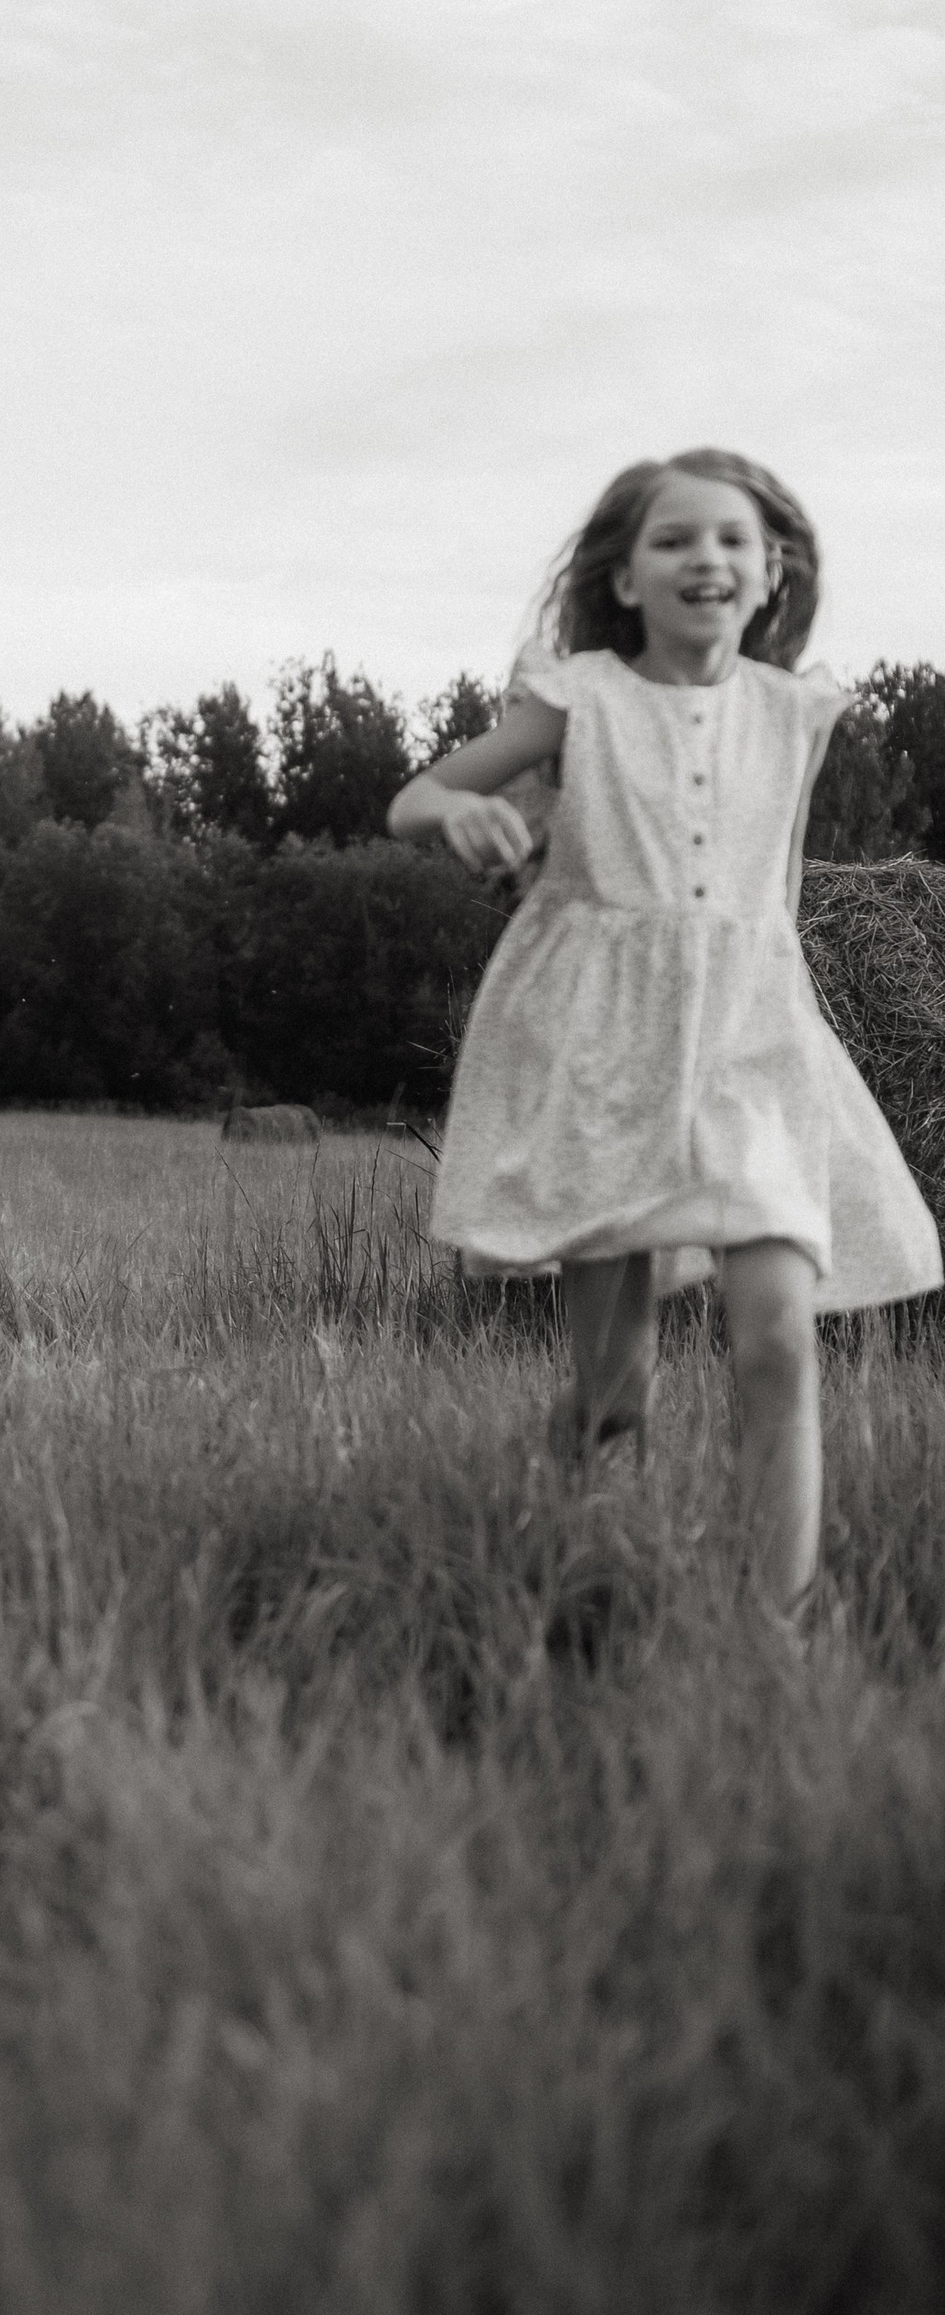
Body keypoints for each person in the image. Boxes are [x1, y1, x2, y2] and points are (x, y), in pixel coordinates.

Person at [389, 448, 940, 1622]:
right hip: (602, 1052)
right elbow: (414, 797)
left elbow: (774, 905)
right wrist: (467, 808)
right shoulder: (578, 693)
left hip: (749, 1047)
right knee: (614, 1391)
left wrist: (787, 1029)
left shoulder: (793, 712)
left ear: (770, 571)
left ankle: (773, 1630)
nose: (708, 557)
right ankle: (571, 1573)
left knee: (779, 1339)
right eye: (676, 539)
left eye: (732, 539)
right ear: (626, 576)